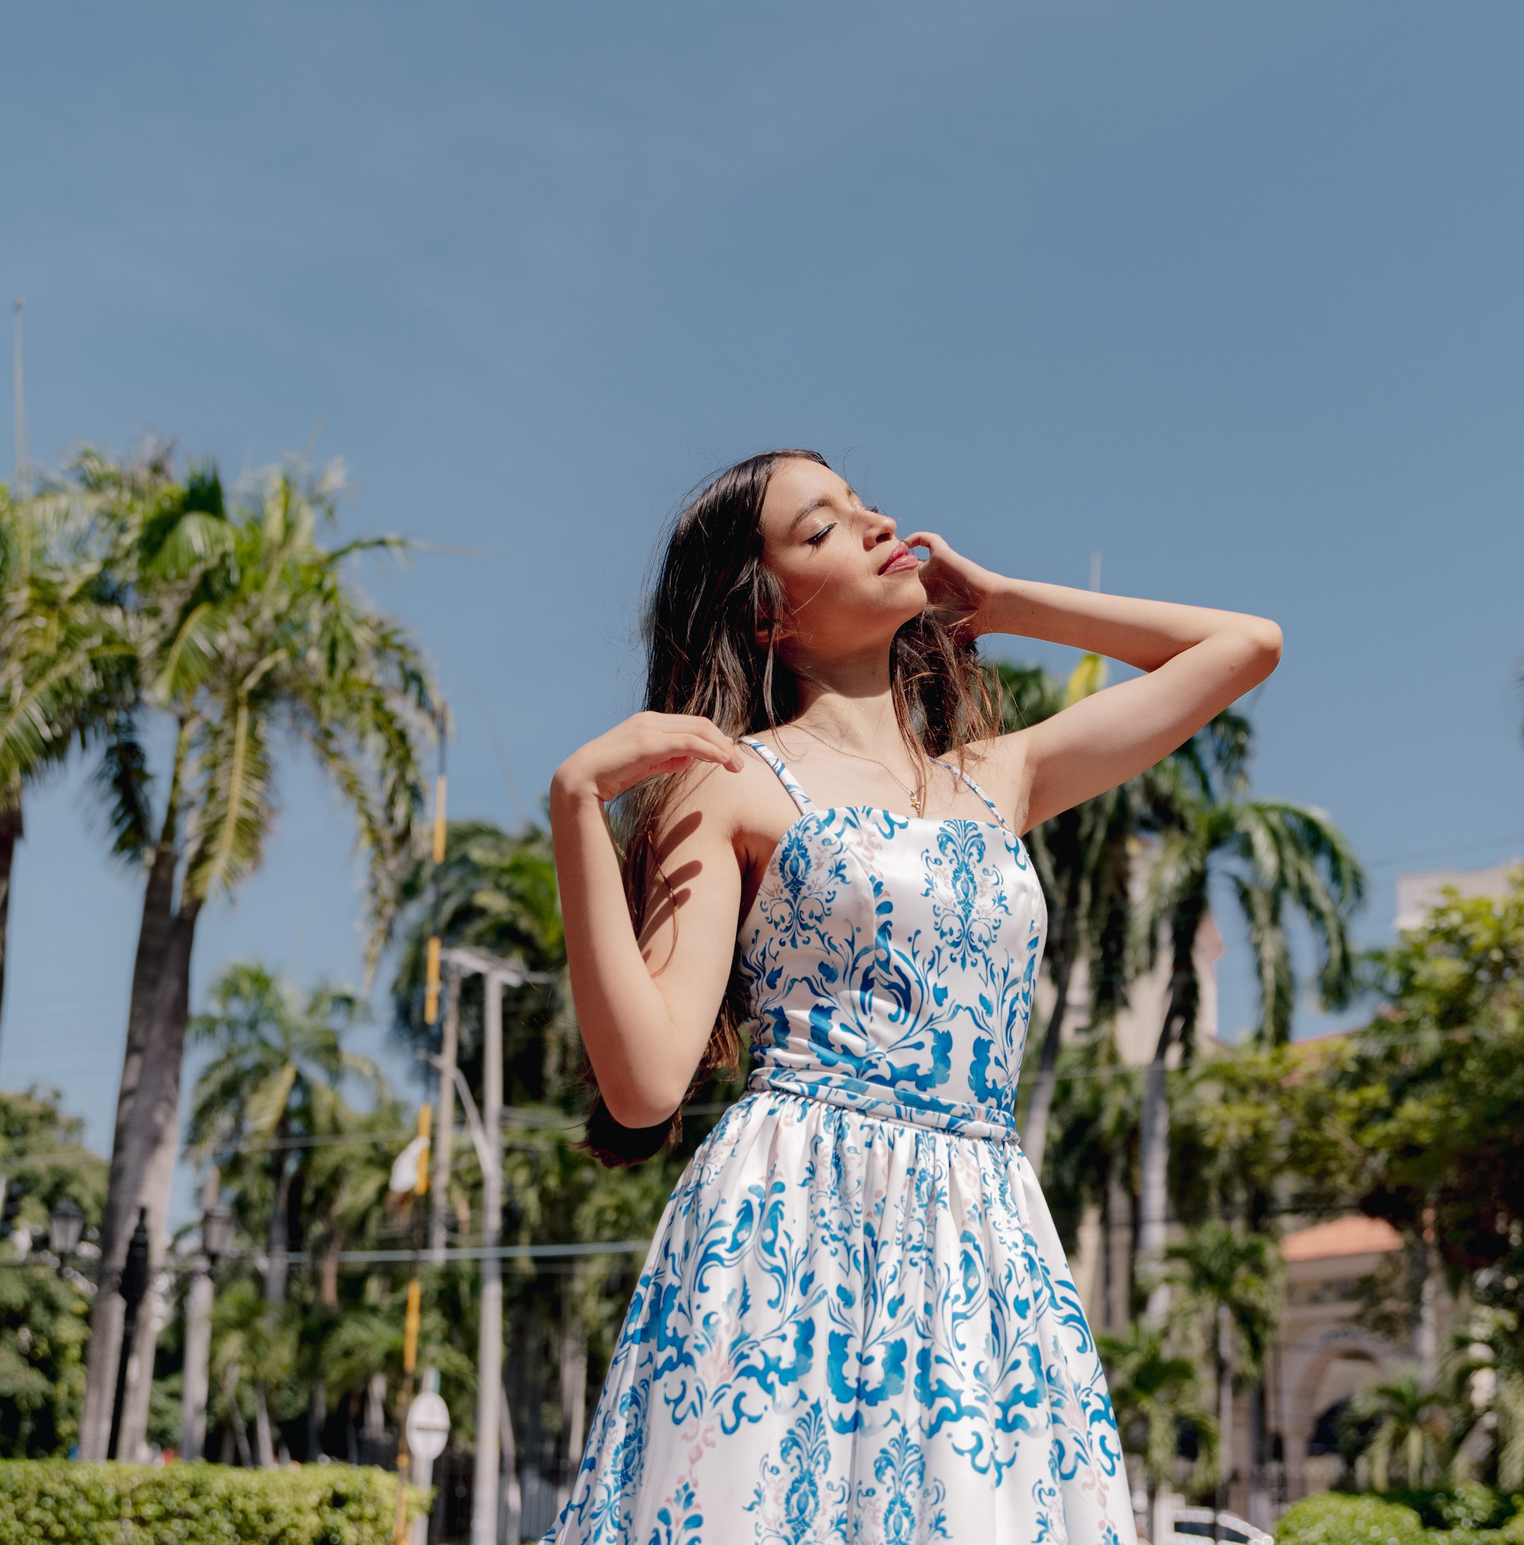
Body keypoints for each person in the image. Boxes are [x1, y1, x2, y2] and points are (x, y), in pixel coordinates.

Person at [543, 450, 1285, 1545]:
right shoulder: (728, 776)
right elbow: (647, 1083)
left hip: (980, 1232)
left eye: (863, 503)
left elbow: (1243, 647)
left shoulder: (997, 777)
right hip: (789, 1225)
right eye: (822, 527)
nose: (876, 521)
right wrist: (573, 812)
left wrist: (1008, 604)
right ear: (765, 616)